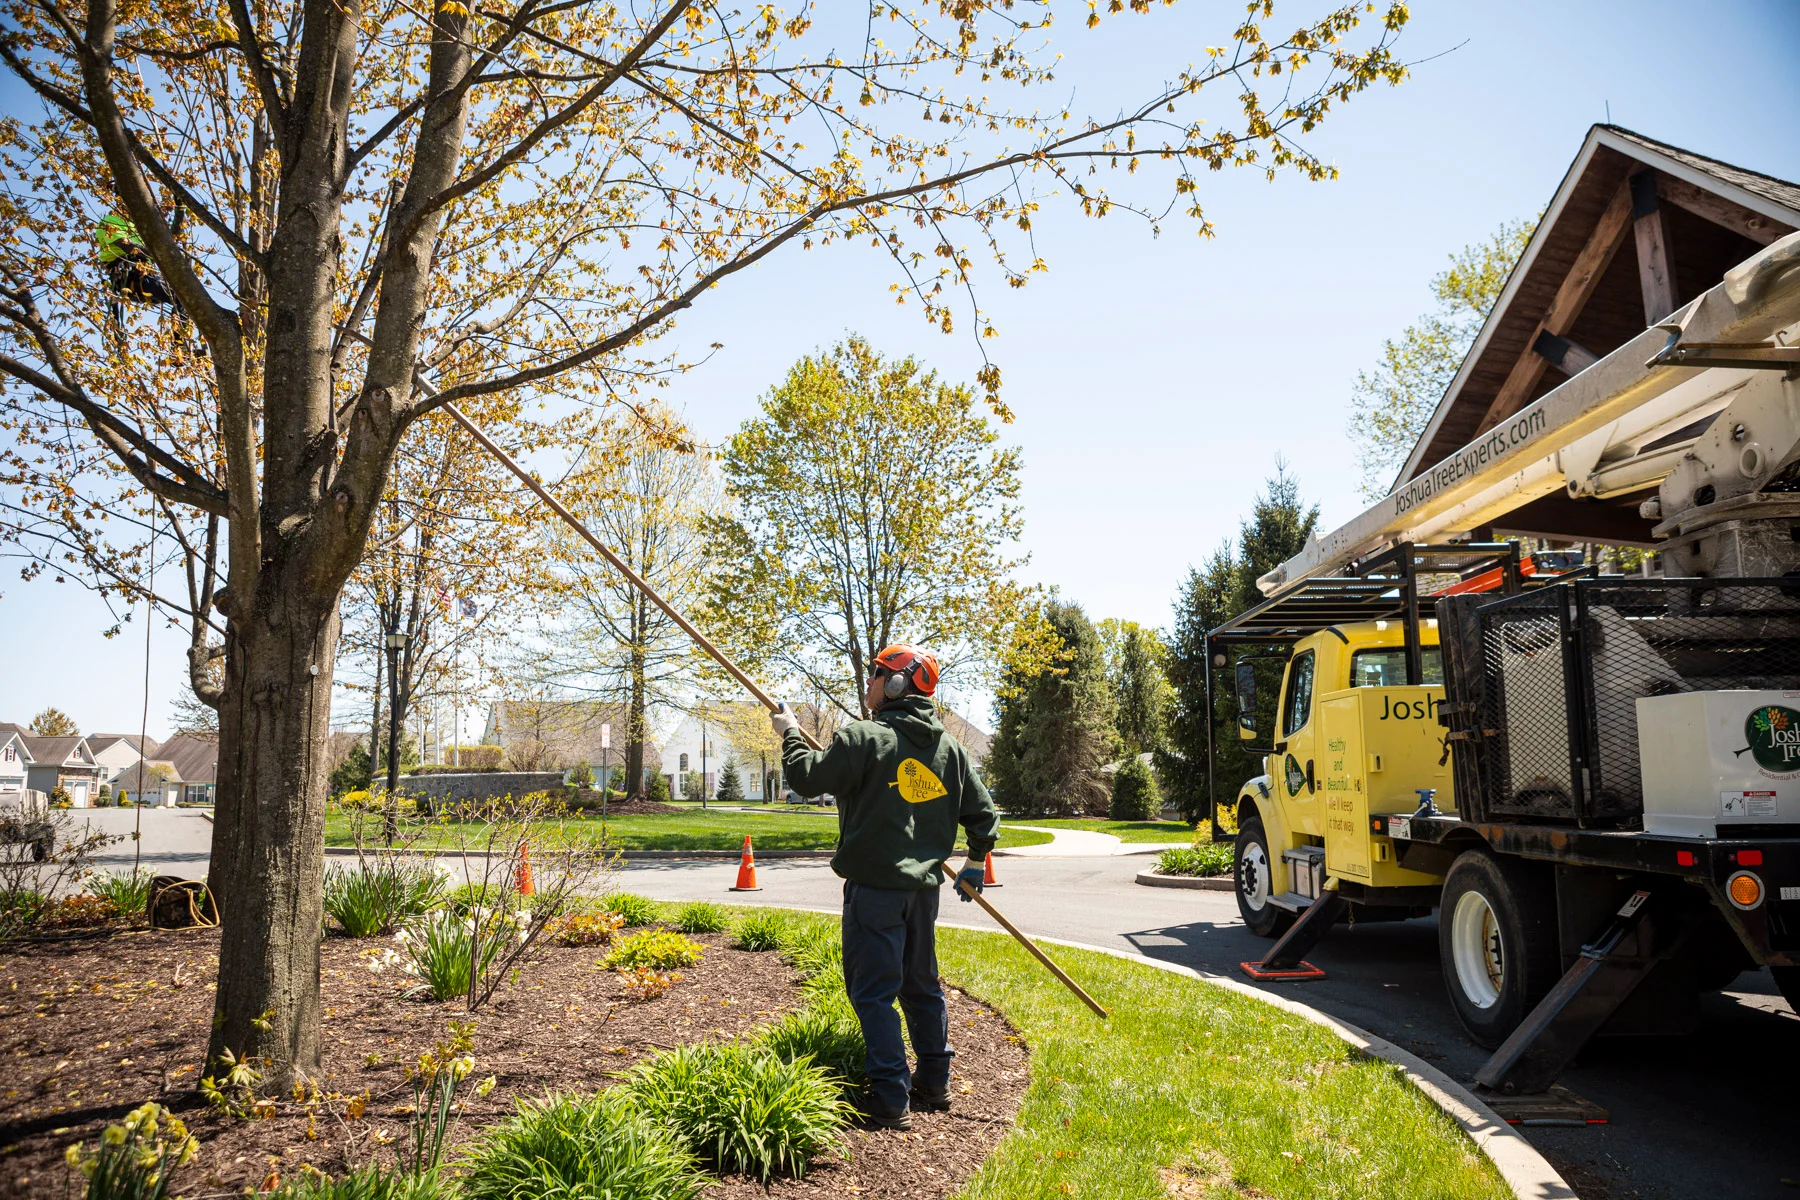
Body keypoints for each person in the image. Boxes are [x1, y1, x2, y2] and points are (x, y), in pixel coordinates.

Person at [772, 643, 999, 1131]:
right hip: (923, 895)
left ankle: (891, 1097)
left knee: (873, 994)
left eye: (876, 675)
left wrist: (789, 733)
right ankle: (934, 1082)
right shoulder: (949, 749)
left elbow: (806, 778)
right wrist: (976, 861)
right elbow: (983, 815)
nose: (869, 683)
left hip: (874, 893)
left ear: (896, 684)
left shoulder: (862, 738)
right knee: (921, 986)